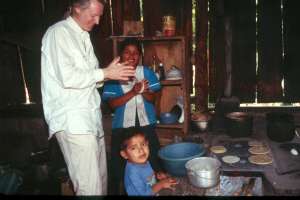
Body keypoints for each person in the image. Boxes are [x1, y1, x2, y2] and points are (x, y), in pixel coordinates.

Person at [41, 0, 135, 195]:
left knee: (100, 184)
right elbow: (68, 78)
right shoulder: (58, 34)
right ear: (77, 8)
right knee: (89, 189)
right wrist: (105, 73)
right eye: (93, 15)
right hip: (74, 121)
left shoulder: (83, 36)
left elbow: (91, 78)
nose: (98, 21)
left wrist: (109, 72)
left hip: (91, 120)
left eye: (100, 15)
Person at [102, 38, 166, 194]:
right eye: (127, 52)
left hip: (146, 125)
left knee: (153, 161)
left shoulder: (147, 73)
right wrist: (133, 92)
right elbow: (112, 104)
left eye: (136, 53)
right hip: (122, 128)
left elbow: (153, 98)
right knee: (120, 169)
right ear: (121, 55)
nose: (131, 56)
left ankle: (153, 189)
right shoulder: (113, 75)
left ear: (140, 56)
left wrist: (144, 90)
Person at [120, 127, 178, 196]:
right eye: (133, 148)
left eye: (143, 144)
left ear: (147, 143)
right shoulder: (133, 173)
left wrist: (157, 175)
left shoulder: (141, 160)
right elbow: (145, 193)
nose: (141, 150)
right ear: (124, 154)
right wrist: (161, 184)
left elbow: (147, 176)